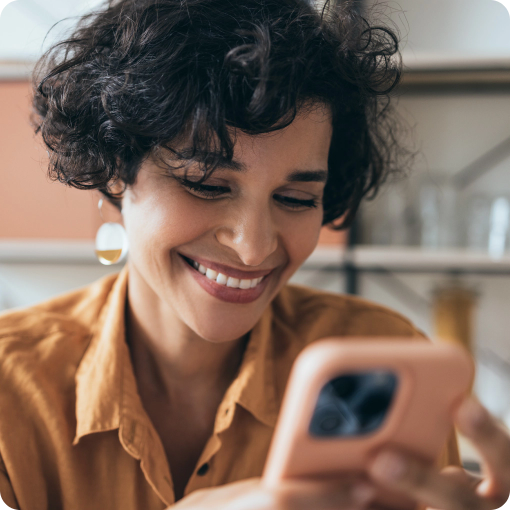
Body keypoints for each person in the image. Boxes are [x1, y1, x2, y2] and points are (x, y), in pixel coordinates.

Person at [0, 0, 509, 509]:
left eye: (295, 199)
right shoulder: (11, 389)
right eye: (206, 185)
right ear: (115, 174)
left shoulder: (382, 359)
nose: (255, 246)